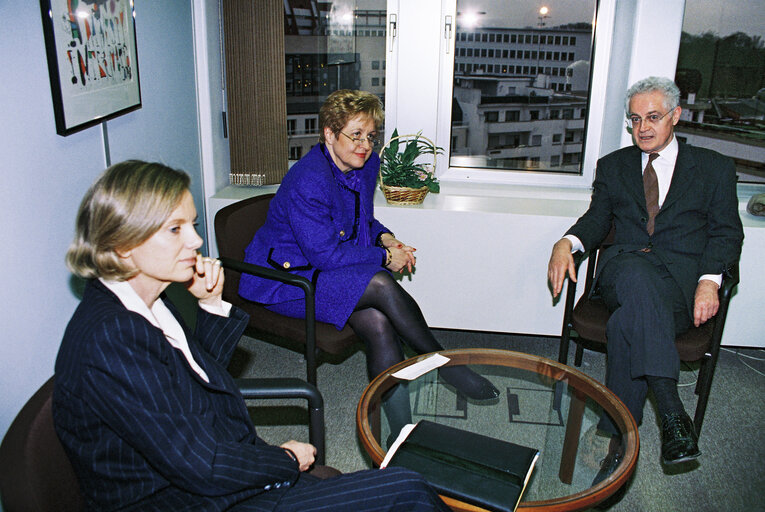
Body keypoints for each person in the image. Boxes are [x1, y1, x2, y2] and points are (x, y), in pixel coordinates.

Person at [53, 160, 450, 511]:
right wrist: (286, 459)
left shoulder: (145, 299)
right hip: (193, 498)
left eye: (190, 226)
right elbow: (202, 468)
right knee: (407, 488)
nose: (195, 241)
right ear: (123, 246)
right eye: (174, 230)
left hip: (215, 469)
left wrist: (210, 306)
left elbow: (192, 384)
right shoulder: (110, 341)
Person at [239, 89, 499, 438]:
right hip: (287, 279)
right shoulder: (308, 179)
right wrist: (384, 257)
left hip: (323, 269)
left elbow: (360, 221)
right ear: (329, 134)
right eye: (355, 135)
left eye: (370, 136)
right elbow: (325, 255)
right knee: (379, 282)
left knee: (378, 322)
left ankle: (401, 430)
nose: (365, 144)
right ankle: (444, 363)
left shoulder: (363, 163)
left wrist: (385, 239)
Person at [547, 77, 743, 483]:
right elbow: (598, 220)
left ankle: (617, 427)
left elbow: (727, 233)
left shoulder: (713, 168)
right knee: (636, 273)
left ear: (676, 116)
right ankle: (671, 408)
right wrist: (566, 242)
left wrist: (709, 280)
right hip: (623, 272)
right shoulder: (614, 166)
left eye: (653, 117)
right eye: (635, 119)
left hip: (680, 287)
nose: (643, 129)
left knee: (626, 324)